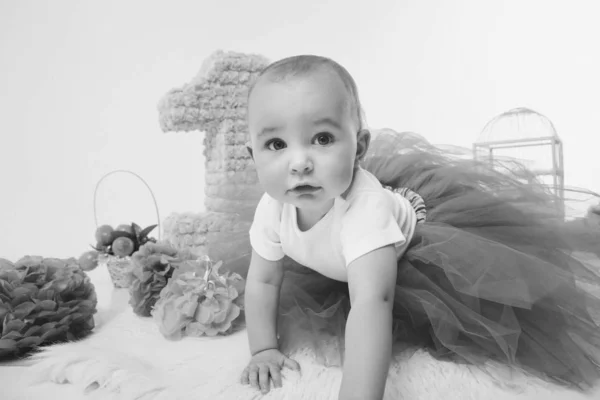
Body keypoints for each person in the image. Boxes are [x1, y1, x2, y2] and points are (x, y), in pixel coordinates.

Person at [237, 54, 600, 400]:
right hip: (346, 252)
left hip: (413, 241)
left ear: (359, 146)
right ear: (252, 156)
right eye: (276, 144)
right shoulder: (274, 206)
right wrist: (264, 348)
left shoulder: (365, 212)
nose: (299, 163)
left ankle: (584, 231)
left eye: (323, 139)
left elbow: (371, 303)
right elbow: (264, 280)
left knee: (519, 262)